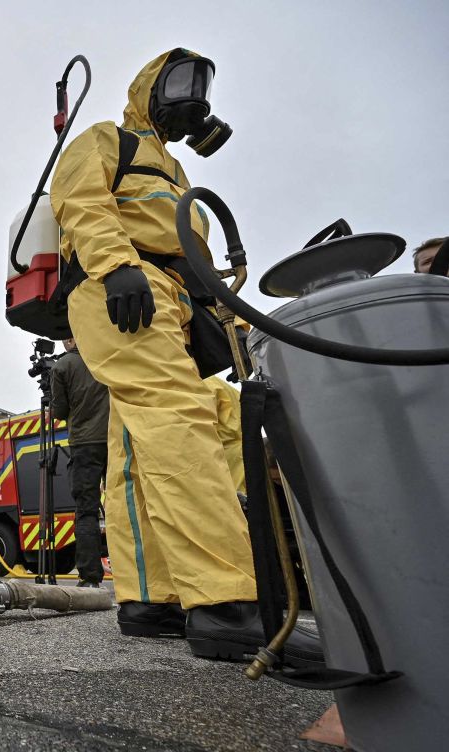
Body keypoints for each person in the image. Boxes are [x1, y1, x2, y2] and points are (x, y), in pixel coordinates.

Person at [49, 49, 321, 664]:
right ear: (148, 90)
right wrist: (116, 266)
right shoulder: (108, 140)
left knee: (136, 450)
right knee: (179, 421)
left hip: (167, 296)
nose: (193, 95)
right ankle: (226, 603)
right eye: (180, 83)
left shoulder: (171, 167)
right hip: (125, 289)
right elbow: (79, 199)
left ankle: (151, 599)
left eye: (202, 86)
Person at [49, 338, 109, 588]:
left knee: (87, 511)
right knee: (129, 507)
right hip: (116, 438)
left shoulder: (62, 367)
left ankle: (91, 577)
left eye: (65, 339)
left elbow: (60, 411)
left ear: (72, 339)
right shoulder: (108, 354)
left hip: (84, 444)